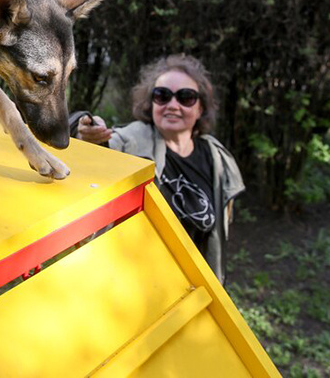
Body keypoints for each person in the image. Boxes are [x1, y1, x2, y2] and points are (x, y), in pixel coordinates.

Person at [71, 54, 244, 283]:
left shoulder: (217, 156)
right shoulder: (132, 140)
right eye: (162, 96)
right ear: (151, 103)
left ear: (201, 107)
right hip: (132, 286)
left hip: (196, 287)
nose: (173, 105)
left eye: (186, 97)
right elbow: (101, 150)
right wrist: (84, 129)